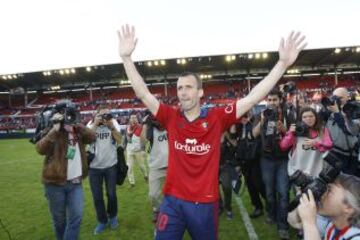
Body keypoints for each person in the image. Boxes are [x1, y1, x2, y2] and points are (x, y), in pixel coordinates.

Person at [118, 24, 306, 239]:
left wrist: (281, 64)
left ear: (200, 92)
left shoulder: (216, 117)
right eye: (179, 88)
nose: (183, 92)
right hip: (172, 201)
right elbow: (143, 93)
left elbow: (253, 97)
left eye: (188, 87)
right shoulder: (170, 117)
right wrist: (126, 58)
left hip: (204, 204)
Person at [35, 102, 96, 240]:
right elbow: (40, 149)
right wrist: (54, 129)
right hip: (54, 183)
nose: (69, 116)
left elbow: (92, 137)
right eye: (66, 114)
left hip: (75, 183)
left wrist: (78, 125)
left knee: (77, 217)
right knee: (59, 221)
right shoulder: (52, 128)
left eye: (71, 113)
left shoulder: (77, 130)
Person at [253, 89, 292, 239]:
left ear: (280, 100)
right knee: (269, 193)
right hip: (266, 159)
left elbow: (294, 134)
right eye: (269, 100)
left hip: (283, 159)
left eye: (274, 100)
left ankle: (283, 226)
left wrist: (284, 129)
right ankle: (271, 214)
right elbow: (254, 134)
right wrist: (262, 121)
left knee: (283, 192)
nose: (272, 103)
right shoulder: (261, 115)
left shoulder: (288, 115)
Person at [87, 105, 122, 234]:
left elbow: (120, 140)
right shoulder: (90, 125)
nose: (105, 117)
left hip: (110, 166)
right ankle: (102, 221)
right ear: (96, 115)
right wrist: (95, 125)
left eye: (107, 114)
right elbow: (86, 141)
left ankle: (112, 217)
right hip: (94, 168)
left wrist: (111, 126)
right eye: (102, 115)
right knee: (97, 197)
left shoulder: (114, 123)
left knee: (112, 194)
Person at [297, 174, 360, 240]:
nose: (322, 195)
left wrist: (309, 223)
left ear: (348, 207)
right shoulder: (332, 226)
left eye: (329, 191)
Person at [280, 107, 333, 178]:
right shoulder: (296, 130)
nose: (308, 119)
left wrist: (316, 143)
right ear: (301, 119)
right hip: (298, 170)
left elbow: (329, 145)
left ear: (316, 118)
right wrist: (290, 133)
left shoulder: (322, 129)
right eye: (304, 117)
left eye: (311, 116)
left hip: (316, 170)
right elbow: (283, 146)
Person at [235, 111, 266, 219]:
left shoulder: (254, 122)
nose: (243, 118)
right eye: (241, 116)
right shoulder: (238, 127)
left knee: (259, 184)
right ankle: (258, 207)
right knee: (250, 186)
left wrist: (249, 121)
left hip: (255, 159)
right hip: (244, 160)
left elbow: (255, 135)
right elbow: (235, 141)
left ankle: (270, 203)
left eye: (245, 115)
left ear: (250, 114)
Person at [141, 114, 169, 224]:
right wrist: (144, 125)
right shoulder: (150, 129)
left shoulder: (168, 125)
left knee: (174, 193)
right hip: (155, 166)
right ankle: (157, 209)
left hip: (171, 165)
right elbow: (143, 141)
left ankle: (172, 212)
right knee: (153, 194)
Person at [325, 87, 359, 175]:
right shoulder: (330, 110)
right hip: (333, 153)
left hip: (349, 155)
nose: (337, 100)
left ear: (347, 97)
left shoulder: (354, 108)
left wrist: (337, 113)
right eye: (334, 97)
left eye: (340, 98)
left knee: (351, 183)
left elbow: (352, 131)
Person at [126, 113, 148, 187]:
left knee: (142, 166)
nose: (133, 119)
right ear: (129, 119)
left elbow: (143, 139)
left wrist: (143, 149)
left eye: (135, 117)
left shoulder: (140, 127)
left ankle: (145, 175)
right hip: (129, 150)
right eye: (132, 117)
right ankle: (132, 183)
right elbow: (128, 138)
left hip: (138, 150)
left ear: (137, 119)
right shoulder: (128, 127)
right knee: (129, 167)